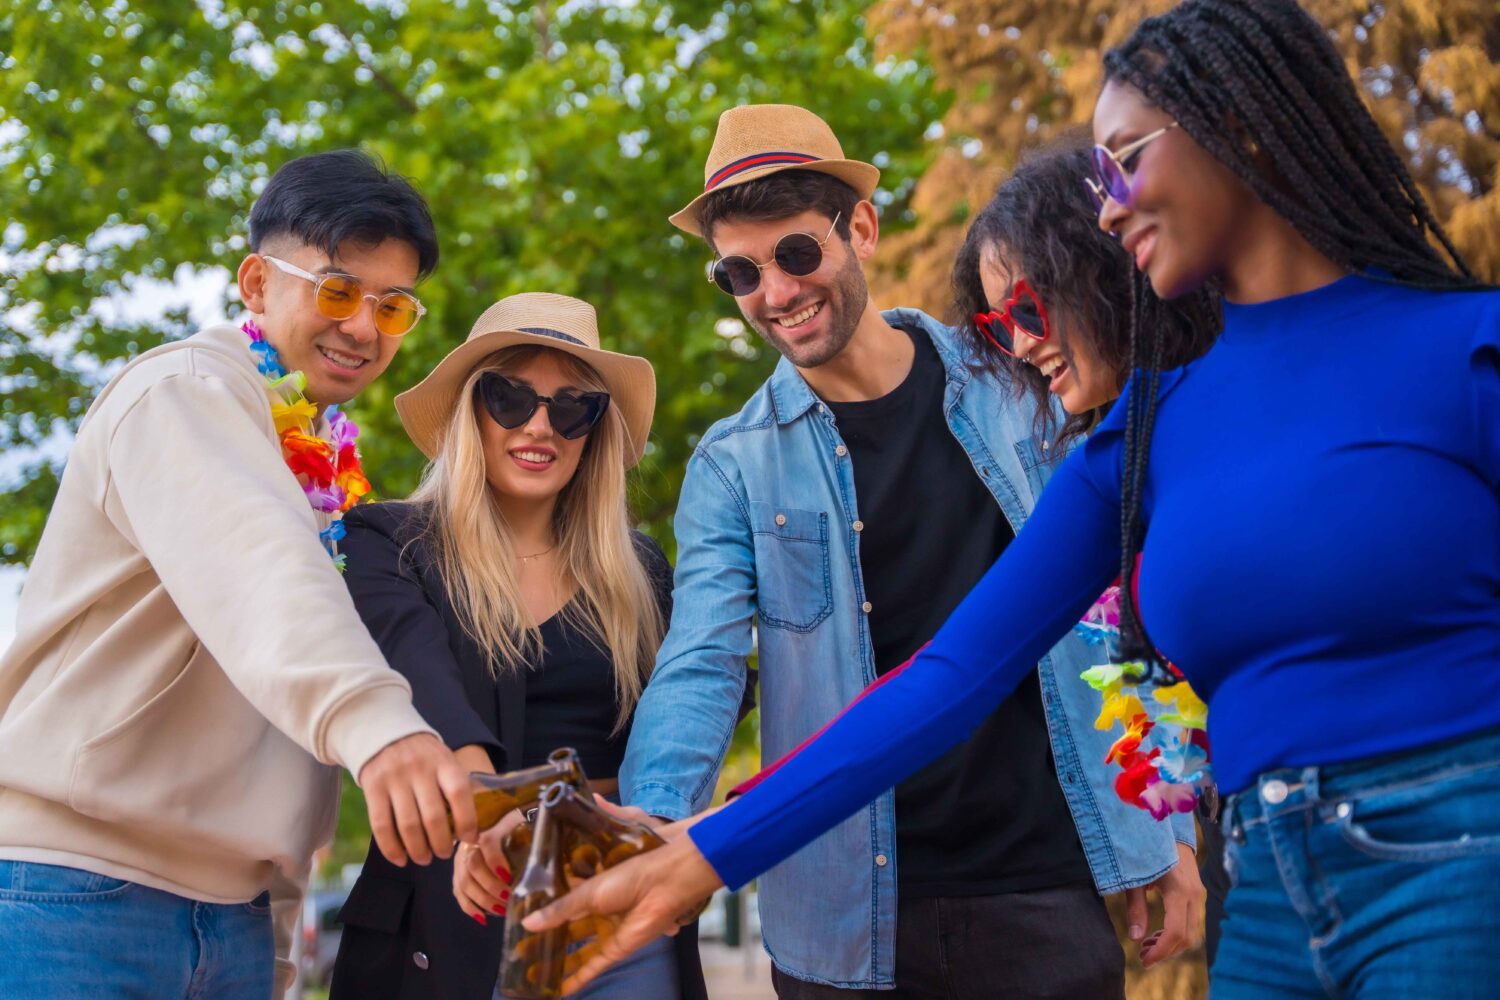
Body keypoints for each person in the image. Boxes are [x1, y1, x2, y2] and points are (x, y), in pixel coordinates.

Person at [527, 3, 1500, 998]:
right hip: (1264, 895)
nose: (1109, 207)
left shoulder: (1463, 349)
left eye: (1124, 161)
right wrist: (695, 848)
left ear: (1238, 128)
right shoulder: (1138, 441)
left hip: (1458, 849)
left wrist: (1151, 835)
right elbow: (945, 675)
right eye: (739, 272)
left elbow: (1100, 667)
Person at [617, 103, 1202, 999]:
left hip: (1042, 885)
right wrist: (657, 833)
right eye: (740, 271)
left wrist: (1169, 825)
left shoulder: (1018, 373)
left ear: (861, 227)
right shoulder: (731, 466)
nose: (774, 292)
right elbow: (701, 664)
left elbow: (1120, 606)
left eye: (796, 254)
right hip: (841, 916)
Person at [0, 149, 481, 999]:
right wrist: (382, 725)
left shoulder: (325, 463)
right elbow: (266, 578)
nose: (365, 328)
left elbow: (277, 708)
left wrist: (277, 932)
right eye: (337, 290)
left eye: (394, 306)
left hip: (233, 921)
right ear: (257, 284)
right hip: (73, 895)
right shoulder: (182, 392)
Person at [327, 292, 709, 1000]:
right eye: (511, 399)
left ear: (595, 428)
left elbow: (694, 705)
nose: (541, 426)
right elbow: (416, 667)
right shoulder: (388, 542)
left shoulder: (640, 571)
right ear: (473, 410)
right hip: (454, 906)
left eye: (573, 408)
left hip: (614, 900)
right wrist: (487, 811)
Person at [951, 133, 1231, 966]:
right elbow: (954, 673)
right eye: (997, 326)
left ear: (1105, 267)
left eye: (1030, 310)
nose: (1022, 344)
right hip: (1262, 850)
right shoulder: (1111, 467)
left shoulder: (1241, 405)